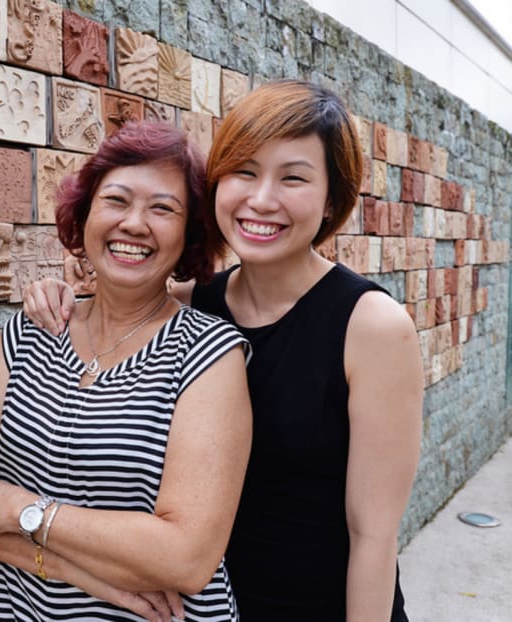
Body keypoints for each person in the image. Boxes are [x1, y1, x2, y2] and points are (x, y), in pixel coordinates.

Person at [22, 79, 424, 621]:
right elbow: (115, 303)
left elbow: (373, 537)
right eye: (244, 172)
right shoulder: (193, 306)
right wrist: (56, 295)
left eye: (293, 178)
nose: (262, 200)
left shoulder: (372, 327)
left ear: (332, 200)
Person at [0, 120, 253, 621]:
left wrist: (21, 510)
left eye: (163, 208)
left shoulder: (208, 355)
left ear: (188, 235)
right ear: (84, 217)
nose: (134, 224)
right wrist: (80, 575)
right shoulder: (28, 333)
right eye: (117, 200)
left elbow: (187, 560)